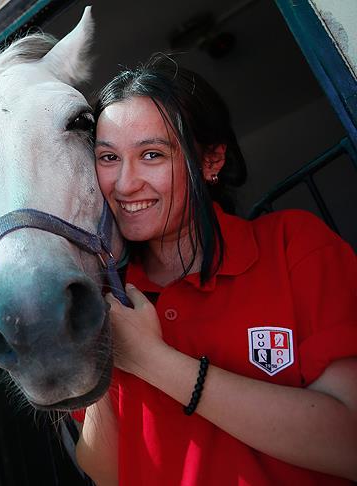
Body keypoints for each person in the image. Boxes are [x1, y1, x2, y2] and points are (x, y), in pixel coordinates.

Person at [75, 54, 357, 485]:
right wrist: (107, 362)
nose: (125, 183)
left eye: (151, 154)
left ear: (211, 161)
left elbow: (348, 443)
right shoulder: (108, 296)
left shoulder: (293, 245)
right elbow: (105, 472)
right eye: (108, 158)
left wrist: (152, 361)